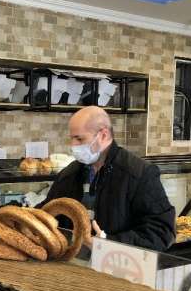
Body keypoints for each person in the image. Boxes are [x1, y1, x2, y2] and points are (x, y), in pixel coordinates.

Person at [38, 106, 176, 252]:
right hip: (73, 267)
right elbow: (49, 211)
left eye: (79, 139)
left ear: (103, 135)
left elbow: (161, 231)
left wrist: (107, 243)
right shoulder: (70, 174)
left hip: (118, 267)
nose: (73, 146)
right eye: (72, 138)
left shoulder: (139, 173)